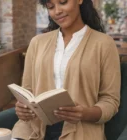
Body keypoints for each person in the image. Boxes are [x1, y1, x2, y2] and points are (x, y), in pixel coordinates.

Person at [12, 0, 121, 140]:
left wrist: (84, 113)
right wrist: (22, 108)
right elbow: (28, 91)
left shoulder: (104, 44)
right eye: (50, 7)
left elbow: (110, 100)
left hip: (80, 131)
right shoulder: (37, 43)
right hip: (33, 129)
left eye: (63, 2)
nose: (57, 11)